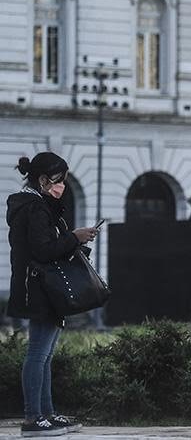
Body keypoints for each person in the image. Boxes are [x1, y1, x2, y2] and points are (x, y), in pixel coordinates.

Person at [7, 152, 97, 437]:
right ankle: (33, 418)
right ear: (44, 179)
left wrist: (73, 240)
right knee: (38, 353)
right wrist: (74, 237)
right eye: (59, 181)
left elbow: (48, 246)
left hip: (46, 288)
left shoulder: (40, 204)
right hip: (39, 288)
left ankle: (46, 414)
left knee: (44, 355)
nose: (62, 186)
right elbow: (43, 250)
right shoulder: (34, 207)